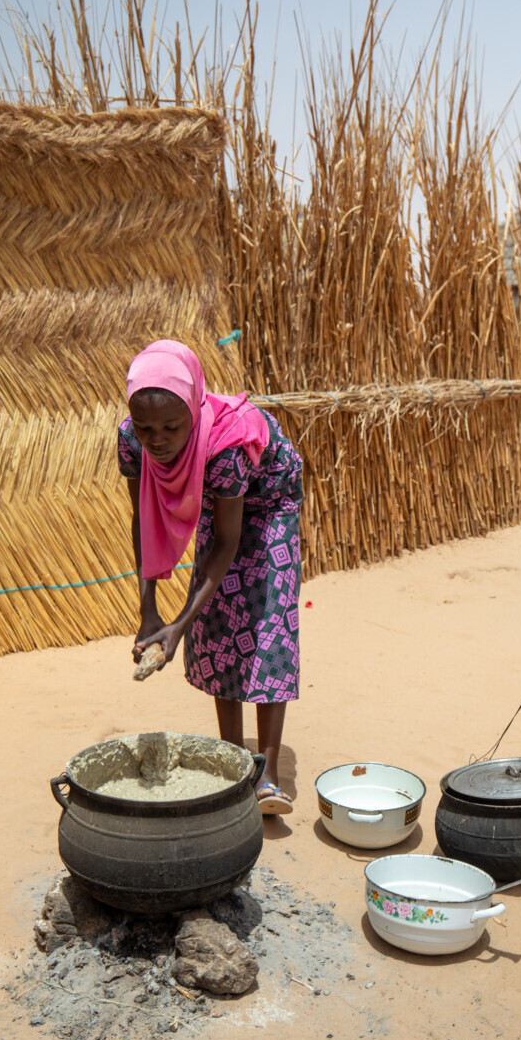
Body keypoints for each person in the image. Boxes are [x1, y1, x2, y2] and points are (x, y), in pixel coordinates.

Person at [118, 338, 303, 816]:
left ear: (194, 415)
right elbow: (143, 519)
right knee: (220, 628)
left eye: (171, 427)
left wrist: (177, 626)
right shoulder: (133, 442)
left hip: (268, 504)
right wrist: (149, 612)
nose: (156, 438)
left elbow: (226, 544)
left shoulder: (225, 448)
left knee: (265, 627)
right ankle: (235, 762)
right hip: (219, 498)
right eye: (146, 428)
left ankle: (267, 773)